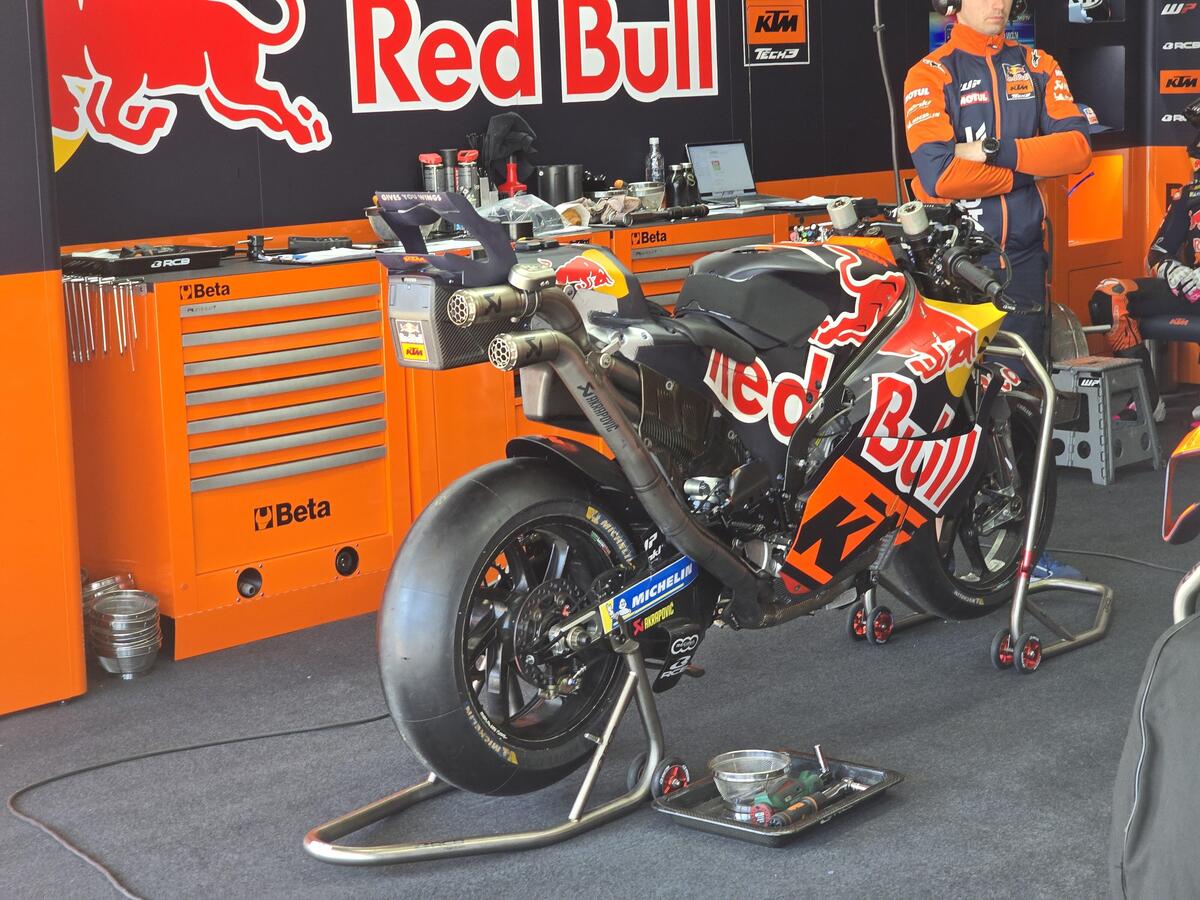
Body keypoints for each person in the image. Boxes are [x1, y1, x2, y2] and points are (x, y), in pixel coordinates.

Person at [904, 0, 1094, 581]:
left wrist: (992, 151)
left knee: (1025, 410)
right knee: (951, 415)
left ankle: (1025, 553)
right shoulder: (930, 74)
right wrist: (1029, 167)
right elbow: (939, 176)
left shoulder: (1036, 64)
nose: (998, 4)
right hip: (955, 268)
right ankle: (938, 559)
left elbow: (1077, 148)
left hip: (1025, 264)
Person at [1090, 101, 1200, 422]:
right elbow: (1156, 253)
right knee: (1110, 296)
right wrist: (1174, 271)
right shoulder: (1190, 194)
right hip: (1194, 290)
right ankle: (1146, 401)